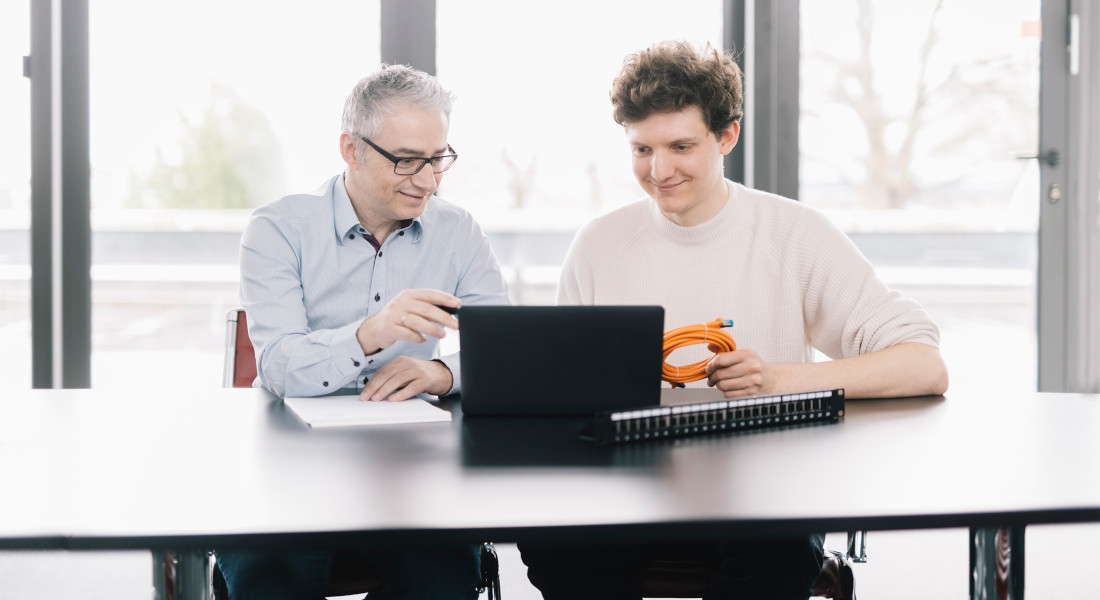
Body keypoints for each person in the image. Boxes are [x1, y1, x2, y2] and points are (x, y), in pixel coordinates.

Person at [519, 41, 948, 600]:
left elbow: (924, 365)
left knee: (774, 552)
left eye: (680, 146)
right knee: (553, 540)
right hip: (627, 486)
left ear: (727, 136)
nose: (659, 170)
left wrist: (778, 381)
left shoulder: (794, 234)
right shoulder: (598, 245)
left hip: (765, 490)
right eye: (642, 149)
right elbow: (563, 387)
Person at [217, 65, 509, 600]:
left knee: (443, 570)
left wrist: (441, 372)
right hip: (291, 458)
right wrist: (368, 334)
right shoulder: (278, 229)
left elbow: (508, 349)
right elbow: (278, 367)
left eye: (438, 158)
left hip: (411, 458)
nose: (427, 180)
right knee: (269, 564)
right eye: (406, 160)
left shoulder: (458, 231)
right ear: (351, 149)